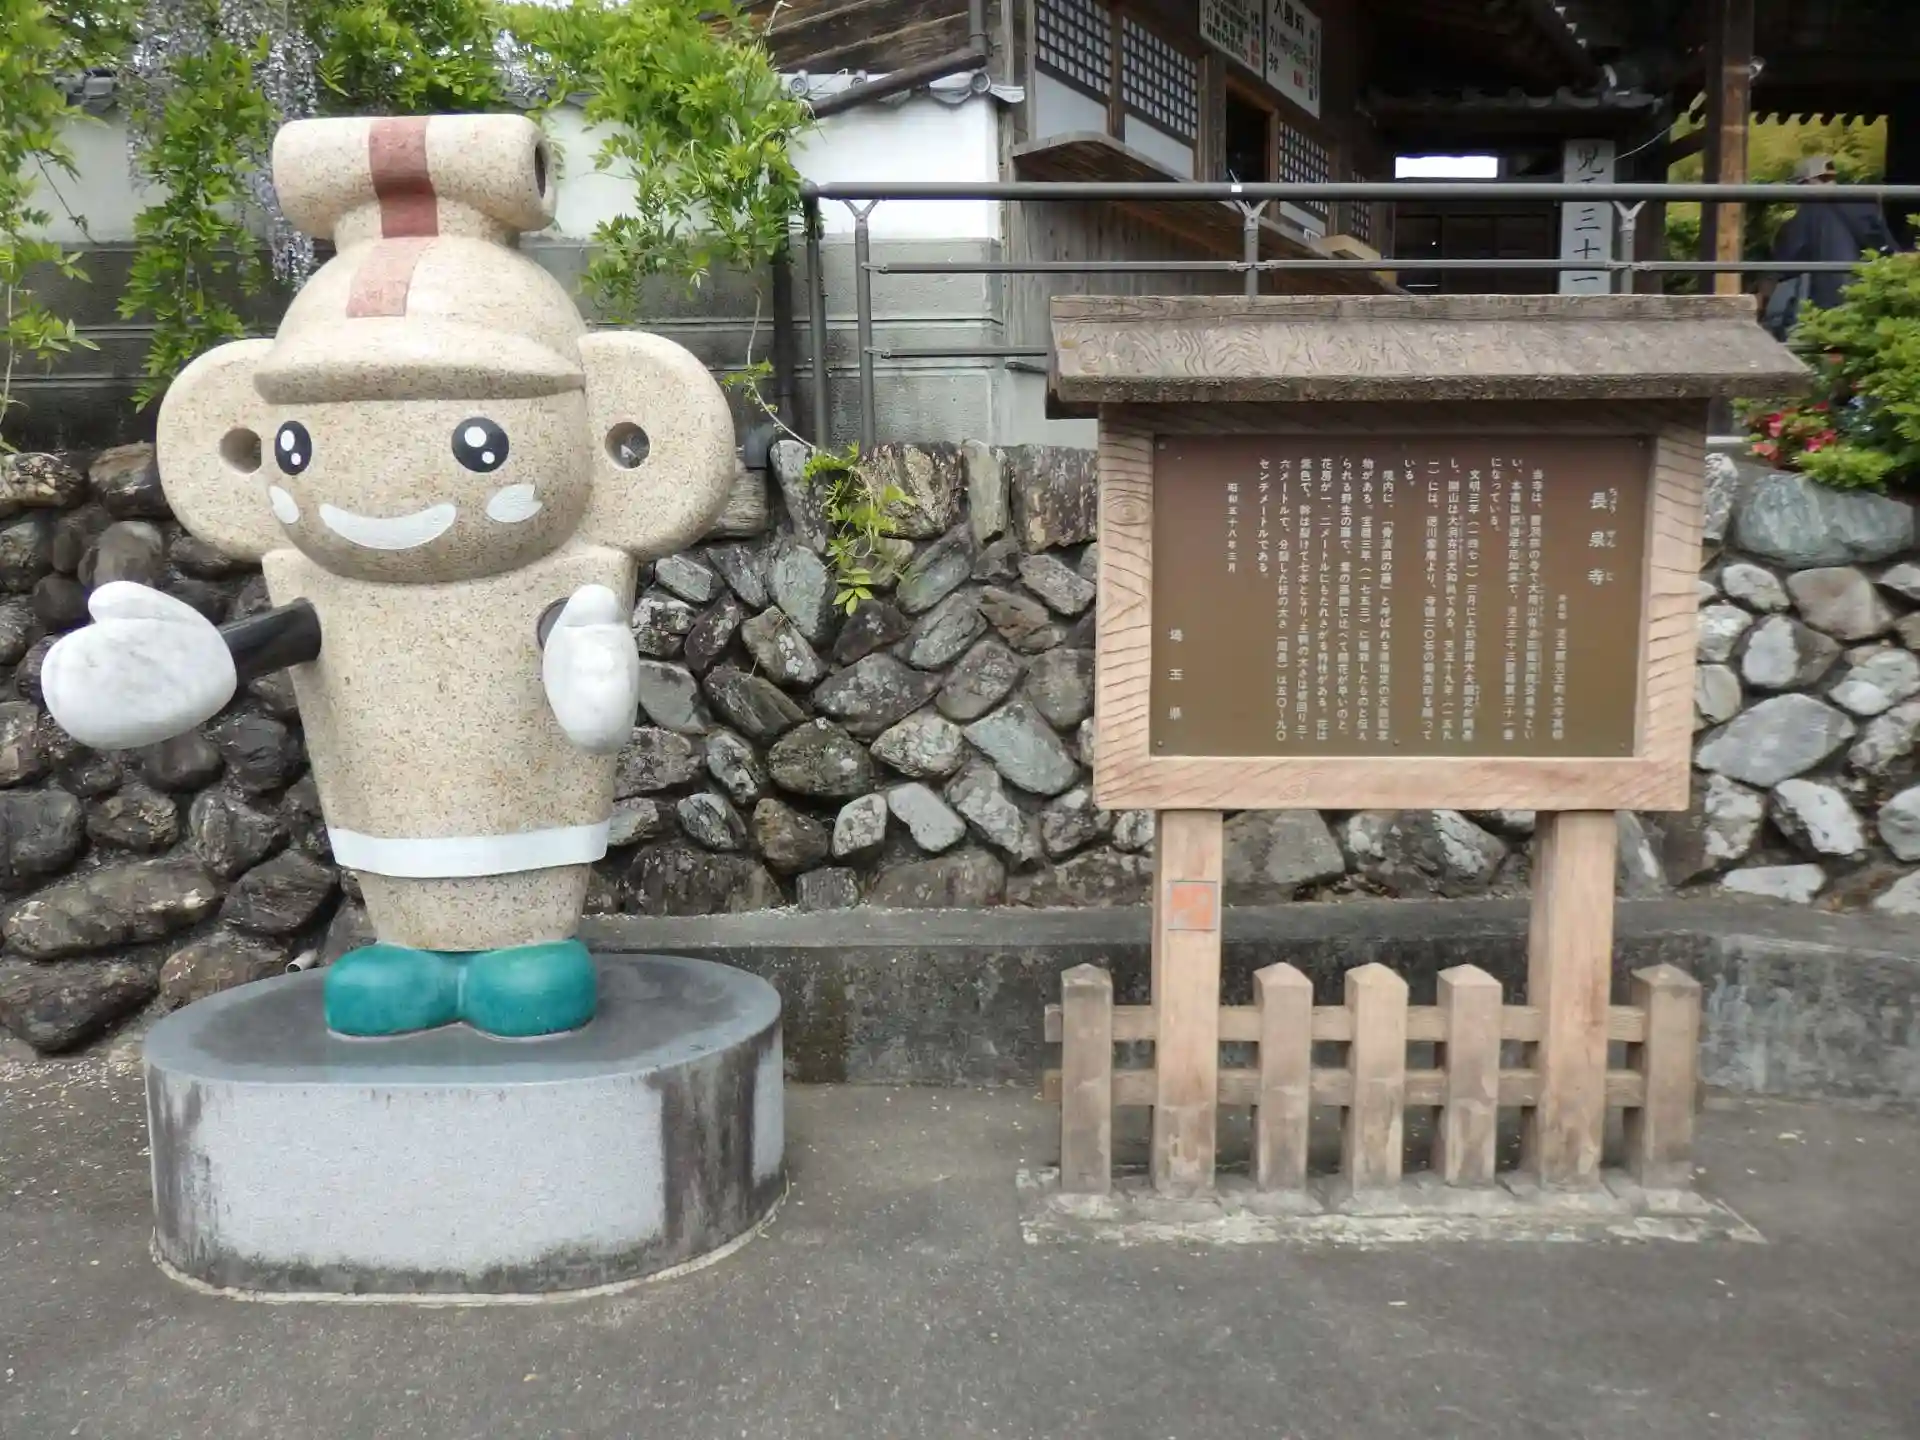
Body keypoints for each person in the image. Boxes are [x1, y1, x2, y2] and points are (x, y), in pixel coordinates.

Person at [1763, 154, 1901, 338]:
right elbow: (1887, 249)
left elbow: (1786, 261)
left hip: (1824, 303)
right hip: (1866, 301)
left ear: (1807, 183)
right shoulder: (1864, 206)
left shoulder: (1804, 216)